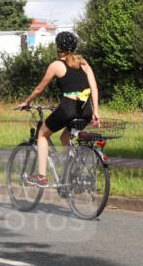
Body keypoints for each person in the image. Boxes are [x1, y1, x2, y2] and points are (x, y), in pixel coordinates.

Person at [17, 31, 100, 186]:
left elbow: (39, 89)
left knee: (42, 134)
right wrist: (96, 111)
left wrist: (27, 102)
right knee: (64, 138)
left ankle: (41, 177)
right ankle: (71, 172)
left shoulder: (56, 65)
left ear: (58, 47)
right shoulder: (83, 62)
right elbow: (94, 87)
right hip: (86, 110)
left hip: (68, 108)